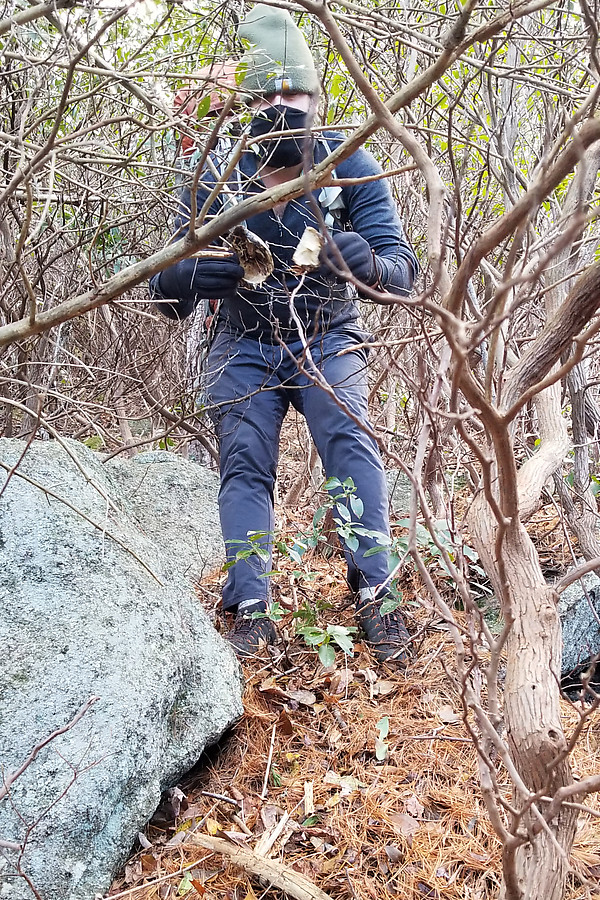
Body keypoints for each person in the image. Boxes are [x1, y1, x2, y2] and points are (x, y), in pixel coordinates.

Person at [150, 4, 418, 662]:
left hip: (327, 333)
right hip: (244, 340)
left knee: (351, 444)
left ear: (313, 96)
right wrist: (191, 277)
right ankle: (249, 607)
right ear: (249, 102)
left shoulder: (349, 163)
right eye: (269, 95)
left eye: (293, 93)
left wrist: (365, 262)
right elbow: (164, 290)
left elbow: (403, 272)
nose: (282, 106)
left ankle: (376, 590)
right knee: (244, 466)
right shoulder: (219, 173)